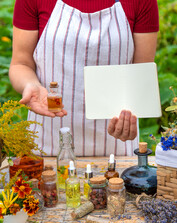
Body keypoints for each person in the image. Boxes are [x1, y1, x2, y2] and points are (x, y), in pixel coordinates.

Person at [9, 0, 159, 157]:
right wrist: (30, 84)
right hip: (45, 148)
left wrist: (129, 121)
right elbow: (21, 64)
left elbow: (140, 75)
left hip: (116, 148)